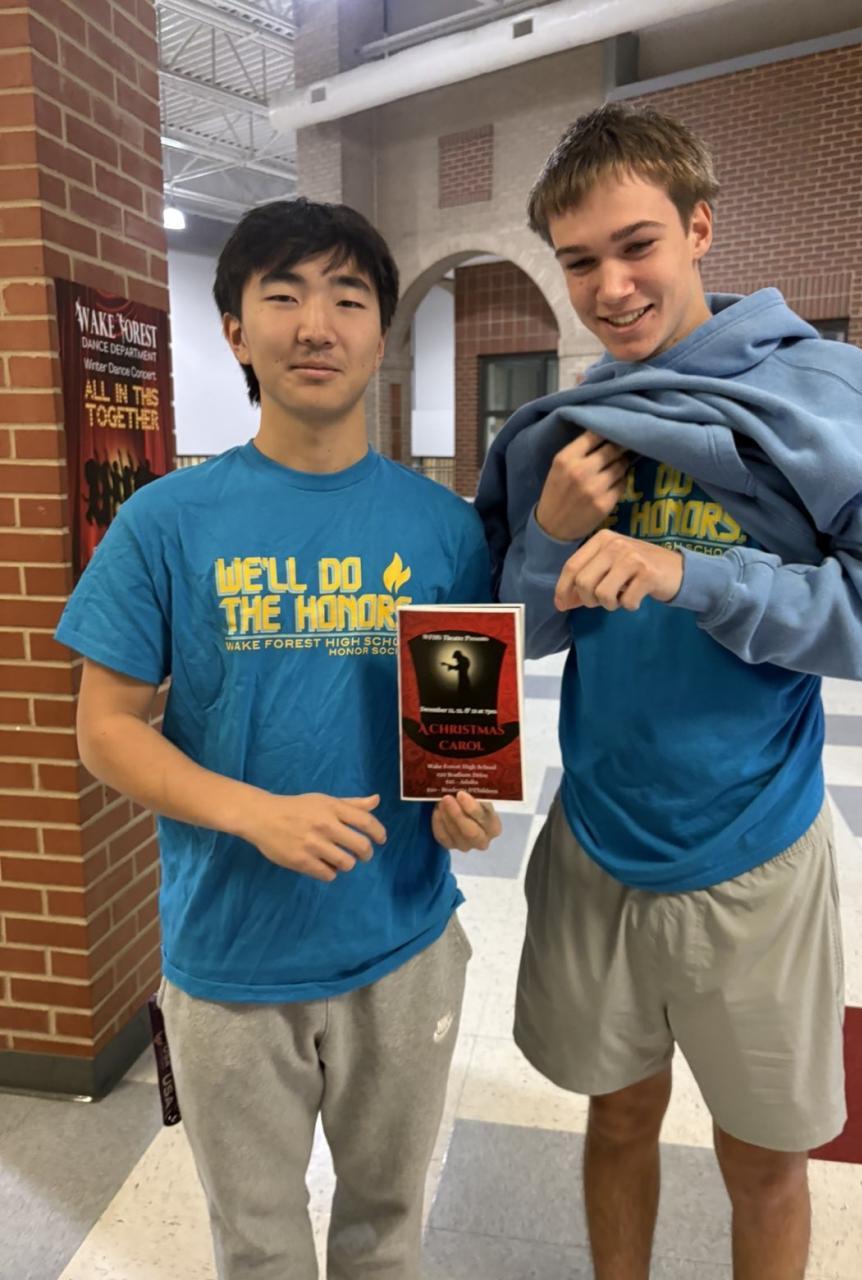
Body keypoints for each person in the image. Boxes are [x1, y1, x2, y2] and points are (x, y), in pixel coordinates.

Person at [475, 104, 862, 1280]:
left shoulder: (819, 394)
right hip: (598, 839)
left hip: (752, 853)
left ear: (698, 228)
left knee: (764, 1160)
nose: (611, 286)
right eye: (580, 260)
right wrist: (550, 532)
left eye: (637, 244)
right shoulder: (574, 430)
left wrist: (692, 573)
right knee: (618, 1115)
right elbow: (518, 631)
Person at [55, 198, 501, 1280]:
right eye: (284, 295)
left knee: (386, 1234)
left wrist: (466, 802)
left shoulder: (445, 528)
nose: (316, 324)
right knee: (258, 1248)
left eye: (347, 298)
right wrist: (252, 813)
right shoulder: (165, 521)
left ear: (381, 334)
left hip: (401, 940)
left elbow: (461, 729)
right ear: (235, 331)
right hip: (229, 956)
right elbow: (105, 730)